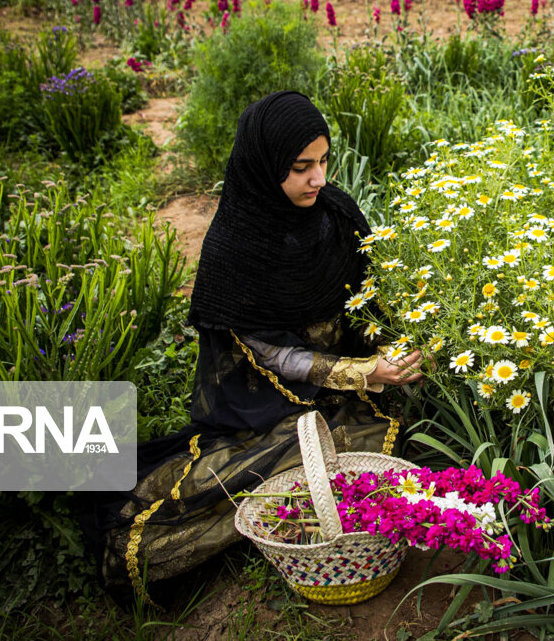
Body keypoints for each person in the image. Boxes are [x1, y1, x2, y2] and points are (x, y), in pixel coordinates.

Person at [88, 91, 421, 604]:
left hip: (351, 369)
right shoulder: (237, 247)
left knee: (380, 432)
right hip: (268, 395)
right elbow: (271, 355)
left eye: (324, 161)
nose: (319, 179)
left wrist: (390, 346)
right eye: (301, 167)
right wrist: (360, 374)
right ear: (265, 166)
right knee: (293, 456)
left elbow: (367, 296)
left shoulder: (335, 213)